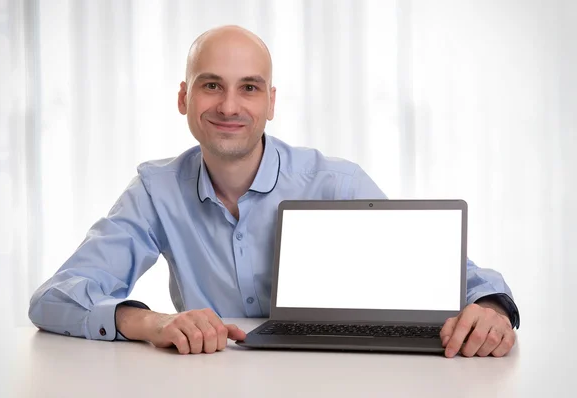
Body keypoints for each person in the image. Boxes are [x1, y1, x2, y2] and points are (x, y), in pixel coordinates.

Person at [29, 25, 520, 358]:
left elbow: (457, 278)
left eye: (249, 87)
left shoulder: (335, 183)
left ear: (270, 102)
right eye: (210, 85)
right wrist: (151, 323)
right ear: (184, 98)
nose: (228, 105)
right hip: (215, 381)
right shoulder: (157, 191)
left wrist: (492, 310)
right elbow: (54, 299)